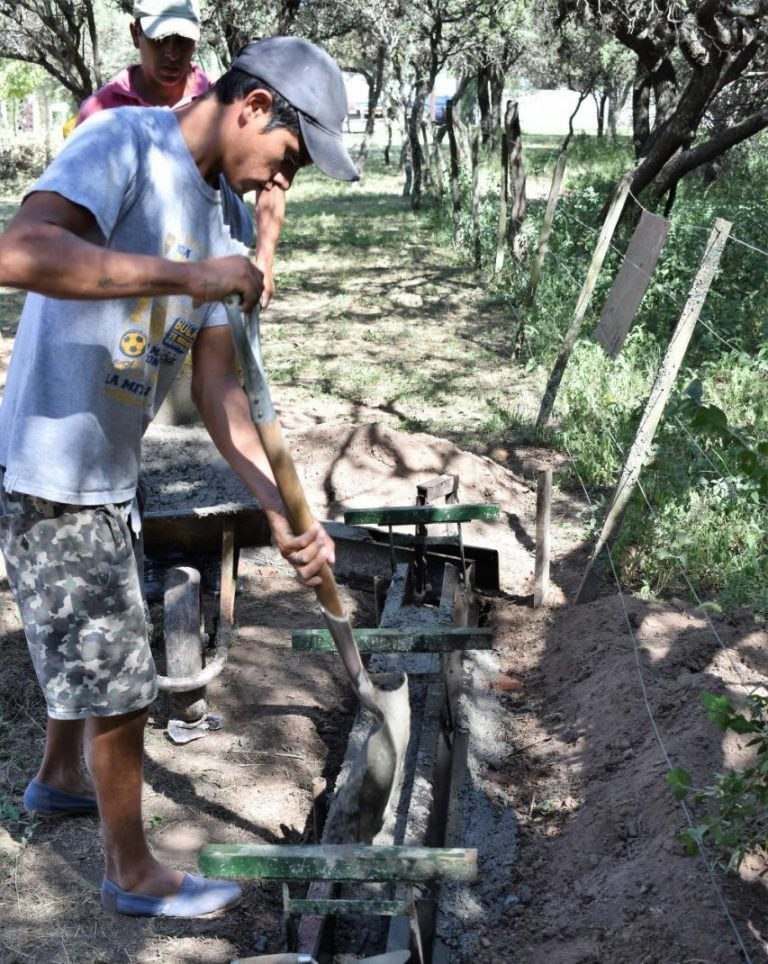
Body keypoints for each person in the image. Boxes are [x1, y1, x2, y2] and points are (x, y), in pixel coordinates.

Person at [0, 35, 359, 918]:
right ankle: (133, 873)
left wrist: (279, 511)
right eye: (289, 158)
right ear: (255, 107)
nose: (283, 182)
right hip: (52, 466)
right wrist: (189, 273)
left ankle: (59, 780)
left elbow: (219, 390)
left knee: (94, 633)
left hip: (108, 466)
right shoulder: (123, 143)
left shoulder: (220, 221)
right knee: (118, 673)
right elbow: (19, 252)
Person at [76, 0, 283, 307]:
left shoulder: (223, 105)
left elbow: (272, 175)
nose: (172, 54)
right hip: (129, 291)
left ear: (197, 38)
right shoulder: (102, 110)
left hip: (211, 282)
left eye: (183, 41)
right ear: (136, 34)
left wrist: (265, 259)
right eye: (160, 40)